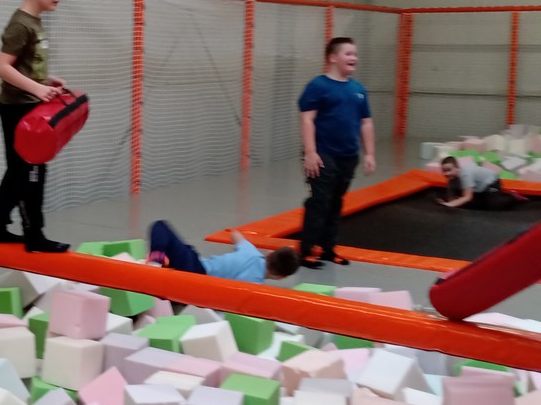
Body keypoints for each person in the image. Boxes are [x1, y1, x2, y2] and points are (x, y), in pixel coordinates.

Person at [0, 0, 70, 253]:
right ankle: (34, 235)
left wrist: (45, 81)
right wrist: (37, 88)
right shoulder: (21, 24)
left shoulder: (33, 22)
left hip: (28, 105)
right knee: (31, 173)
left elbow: (24, 66)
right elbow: (2, 67)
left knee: (18, 170)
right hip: (16, 109)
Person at [297, 37, 375, 269]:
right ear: (332, 57)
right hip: (323, 154)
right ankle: (307, 250)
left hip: (348, 155)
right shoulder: (318, 86)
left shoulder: (358, 89)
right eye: (348, 54)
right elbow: (307, 119)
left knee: (336, 202)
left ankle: (328, 249)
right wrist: (310, 152)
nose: (354, 58)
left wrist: (369, 153)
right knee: (320, 201)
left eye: (355, 54)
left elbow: (366, 122)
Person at [146, 220, 300, 283]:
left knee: (160, 226)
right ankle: (161, 262)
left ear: (269, 254)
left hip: (198, 271)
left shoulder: (251, 252)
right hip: (199, 278)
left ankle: (156, 259)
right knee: (187, 251)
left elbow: (235, 234)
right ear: (280, 277)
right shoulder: (255, 284)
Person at [436, 156, 527, 210]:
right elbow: (451, 194)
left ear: (457, 168)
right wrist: (449, 203)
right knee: (470, 204)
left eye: (449, 170)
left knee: (493, 205)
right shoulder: (452, 179)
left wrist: (450, 204)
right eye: (444, 171)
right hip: (479, 188)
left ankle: (513, 196)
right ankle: (484, 198)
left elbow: (467, 197)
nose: (446, 174)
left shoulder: (465, 175)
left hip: (492, 184)